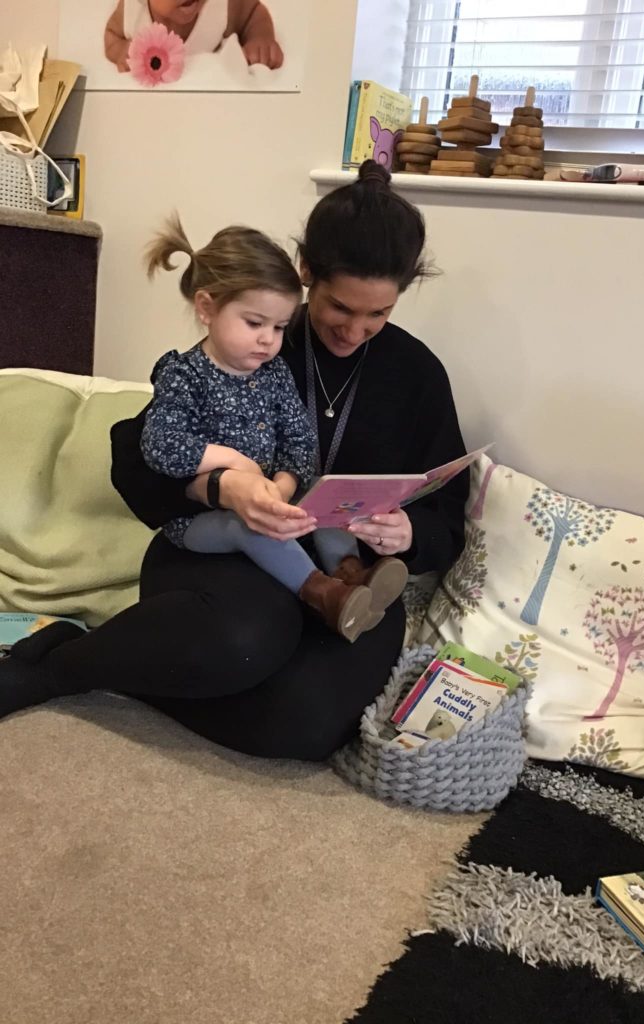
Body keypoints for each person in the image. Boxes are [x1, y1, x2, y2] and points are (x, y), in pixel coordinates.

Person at [0, 160, 468, 760]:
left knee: (306, 727)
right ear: (307, 273)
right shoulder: (255, 332)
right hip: (226, 551)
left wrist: (409, 533)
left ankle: (137, 666)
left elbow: (448, 515)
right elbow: (137, 459)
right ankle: (59, 666)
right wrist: (221, 487)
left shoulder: (417, 374)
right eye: (339, 307)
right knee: (244, 645)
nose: (355, 331)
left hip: (353, 580)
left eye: (378, 314)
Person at [139, 215, 407, 642]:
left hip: (266, 497)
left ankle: (351, 575)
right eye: (254, 323)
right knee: (251, 526)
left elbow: (299, 441)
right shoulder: (183, 375)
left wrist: (284, 487)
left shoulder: (274, 373)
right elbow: (161, 446)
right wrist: (233, 465)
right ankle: (323, 595)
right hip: (200, 521)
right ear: (207, 308)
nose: (268, 339)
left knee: (323, 494)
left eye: (279, 327)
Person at [104, 0, 283, 73]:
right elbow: (112, 34)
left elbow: (253, 12)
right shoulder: (133, 13)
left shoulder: (221, 7)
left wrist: (260, 37)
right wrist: (121, 50)